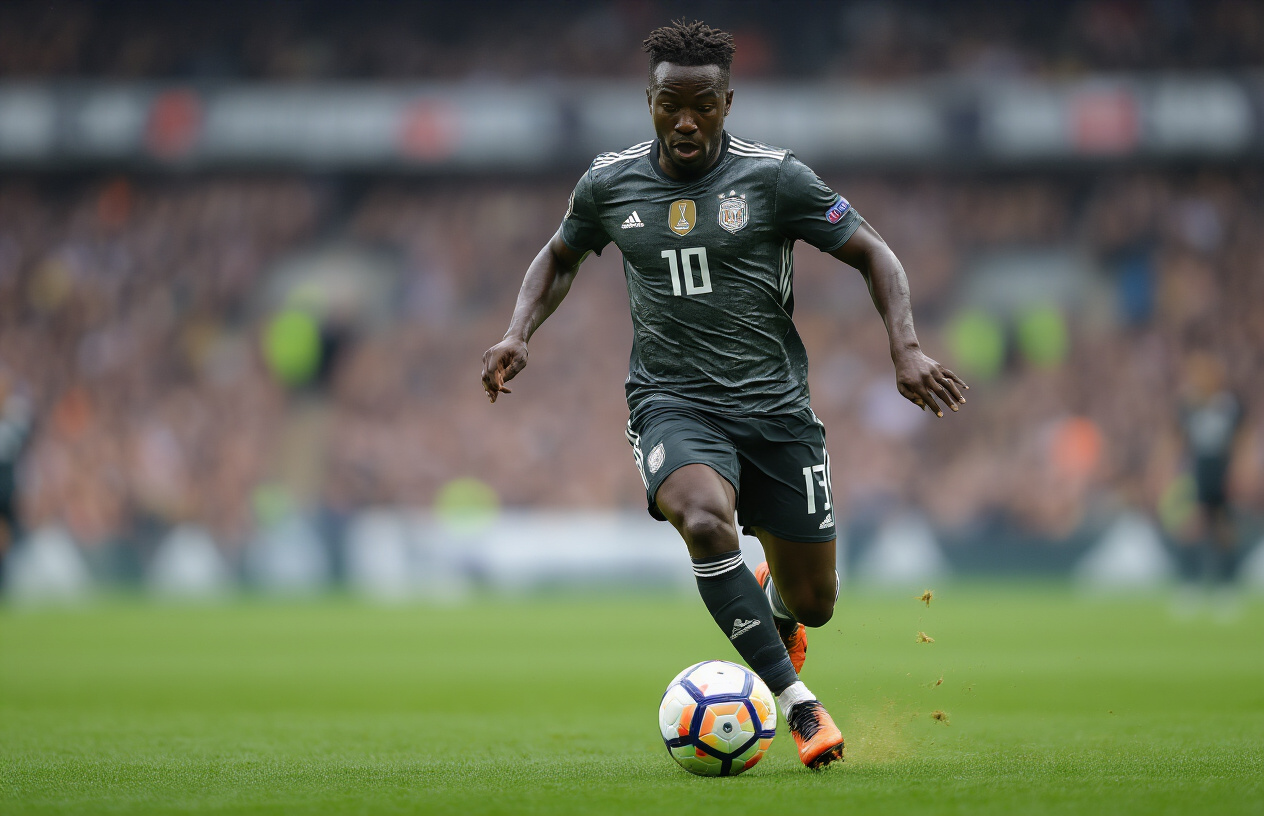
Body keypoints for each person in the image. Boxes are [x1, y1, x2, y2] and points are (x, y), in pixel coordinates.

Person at [480, 20, 967, 770]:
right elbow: (557, 256)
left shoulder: (774, 179)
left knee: (816, 605)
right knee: (706, 522)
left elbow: (875, 252)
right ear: (648, 100)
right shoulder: (609, 183)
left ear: (728, 102)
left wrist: (904, 350)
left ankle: (774, 601)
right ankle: (799, 707)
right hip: (673, 402)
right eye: (669, 104)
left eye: (702, 106)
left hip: (777, 412)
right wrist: (519, 333)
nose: (685, 121)